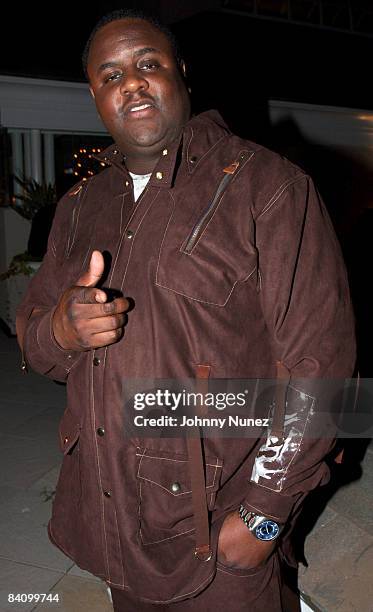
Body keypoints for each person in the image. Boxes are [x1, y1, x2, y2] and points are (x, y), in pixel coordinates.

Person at [16, 9, 356, 612]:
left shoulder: (266, 186)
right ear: (95, 94)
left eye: (149, 63)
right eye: (111, 74)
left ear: (181, 73)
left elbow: (322, 368)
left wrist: (265, 518)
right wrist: (61, 331)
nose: (133, 82)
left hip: (218, 527)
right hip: (110, 517)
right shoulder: (78, 206)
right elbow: (34, 342)